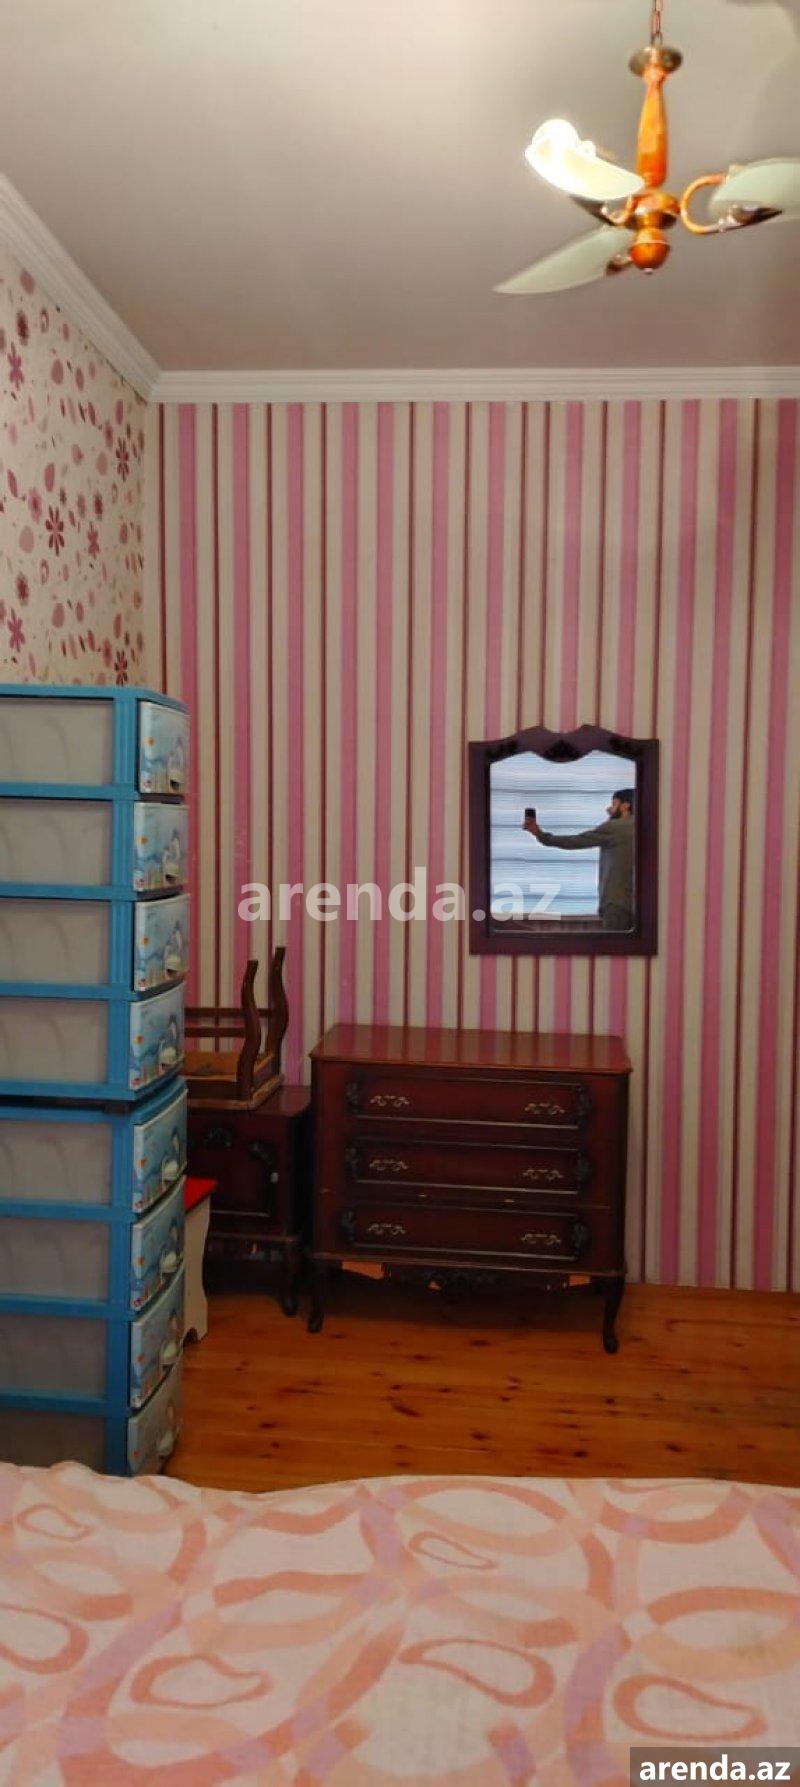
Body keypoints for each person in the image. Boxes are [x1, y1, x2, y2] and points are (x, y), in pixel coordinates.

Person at [523, 788, 635, 931]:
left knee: (616, 944)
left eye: (614, 804)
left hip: (617, 902)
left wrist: (540, 834)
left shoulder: (615, 827)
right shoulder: (643, 827)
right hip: (636, 903)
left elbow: (575, 841)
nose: (609, 809)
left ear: (625, 806)